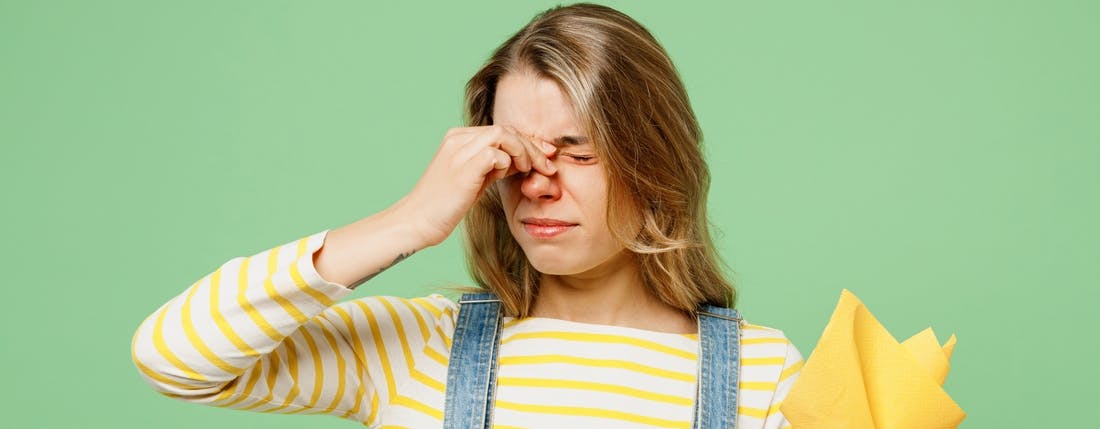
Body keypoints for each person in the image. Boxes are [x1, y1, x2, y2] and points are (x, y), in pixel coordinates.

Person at [131, 3, 802, 428]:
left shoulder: (762, 375)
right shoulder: (415, 346)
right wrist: (407, 221)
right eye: (513, 154)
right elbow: (174, 357)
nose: (538, 185)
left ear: (654, 163)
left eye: (577, 152)